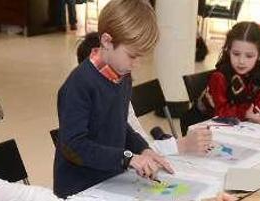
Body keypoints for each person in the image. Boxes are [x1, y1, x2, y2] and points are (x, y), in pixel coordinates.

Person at [53, 0, 174, 199]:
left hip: (110, 180)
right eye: (132, 56)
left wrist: (143, 149)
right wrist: (127, 158)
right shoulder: (79, 85)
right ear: (107, 41)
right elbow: (73, 146)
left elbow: (119, 124)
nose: (136, 65)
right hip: (79, 190)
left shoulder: (122, 76)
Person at [75, 32, 213, 156]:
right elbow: (126, 155)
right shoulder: (85, 107)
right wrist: (180, 145)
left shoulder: (119, 93)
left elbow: (141, 143)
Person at [197, 21, 260, 124]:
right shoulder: (219, 77)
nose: (241, 61)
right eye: (236, 54)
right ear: (228, 50)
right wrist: (245, 113)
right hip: (203, 124)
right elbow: (219, 111)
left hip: (237, 126)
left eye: (249, 56)